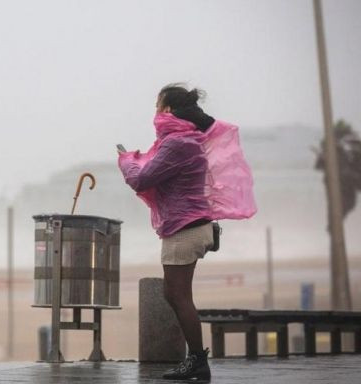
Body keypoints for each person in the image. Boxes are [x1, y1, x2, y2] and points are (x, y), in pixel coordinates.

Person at [117, 84, 256, 381]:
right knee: (174, 294)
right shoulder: (187, 140)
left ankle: (196, 361)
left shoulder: (178, 143)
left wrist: (126, 160)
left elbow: (142, 179)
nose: (155, 112)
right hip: (192, 225)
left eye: (158, 105)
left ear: (168, 110)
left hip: (184, 229)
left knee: (179, 296)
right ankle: (195, 359)